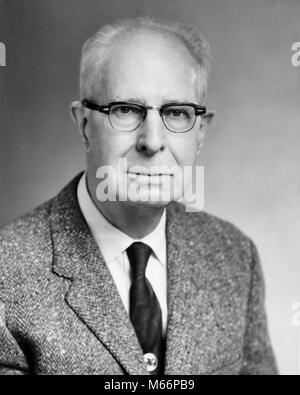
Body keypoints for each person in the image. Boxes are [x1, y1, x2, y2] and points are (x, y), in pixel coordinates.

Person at [0, 17, 278, 375]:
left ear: (201, 133)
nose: (153, 141)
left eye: (176, 113)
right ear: (84, 126)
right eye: (127, 110)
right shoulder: (7, 272)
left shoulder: (235, 257)